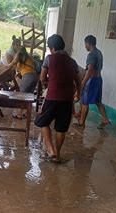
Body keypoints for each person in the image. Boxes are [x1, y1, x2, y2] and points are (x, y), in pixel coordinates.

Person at [35, 34, 81, 163]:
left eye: (50, 47)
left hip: (53, 96)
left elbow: (42, 78)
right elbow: (78, 81)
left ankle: (51, 151)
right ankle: (58, 155)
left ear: (53, 47)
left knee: (42, 122)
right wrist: (79, 94)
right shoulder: (72, 62)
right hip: (67, 99)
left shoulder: (49, 59)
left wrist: (50, 82)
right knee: (61, 127)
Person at [77, 35, 110, 128]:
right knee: (98, 101)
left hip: (92, 80)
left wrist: (83, 82)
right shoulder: (99, 53)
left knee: (85, 102)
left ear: (88, 43)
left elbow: (90, 70)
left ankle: (81, 122)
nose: (85, 46)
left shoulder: (91, 54)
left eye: (85, 44)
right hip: (99, 79)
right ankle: (105, 119)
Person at [13, 47, 38, 119]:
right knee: (29, 96)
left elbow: (12, 66)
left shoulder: (20, 60)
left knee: (22, 95)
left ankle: (19, 114)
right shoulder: (29, 58)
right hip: (35, 76)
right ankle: (27, 113)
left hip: (27, 77)